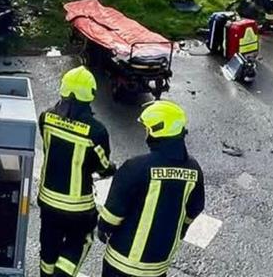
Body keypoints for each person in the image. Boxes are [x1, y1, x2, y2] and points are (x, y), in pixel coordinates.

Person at [98, 100, 205, 277]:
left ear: (156, 131)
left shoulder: (136, 167)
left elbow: (113, 214)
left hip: (122, 262)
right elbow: (194, 209)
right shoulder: (194, 169)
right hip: (158, 266)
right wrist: (181, 229)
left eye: (147, 129)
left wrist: (103, 228)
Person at [38, 66, 115, 277]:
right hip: (77, 207)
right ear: (90, 94)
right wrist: (111, 169)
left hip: (47, 200)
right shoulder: (96, 131)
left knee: (48, 246)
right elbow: (102, 164)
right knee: (81, 241)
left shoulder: (46, 118)